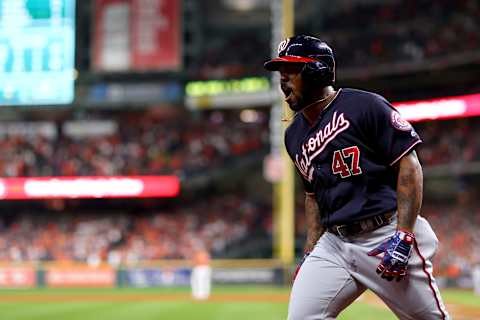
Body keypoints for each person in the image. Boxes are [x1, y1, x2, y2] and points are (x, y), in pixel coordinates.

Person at [264, 35, 450, 320]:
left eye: (291, 69)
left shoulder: (365, 106)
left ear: (317, 71)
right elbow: (313, 196)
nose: (283, 79)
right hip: (335, 243)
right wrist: (310, 250)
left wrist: (404, 234)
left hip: (385, 234)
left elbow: (409, 166)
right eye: (280, 71)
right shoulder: (294, 135)